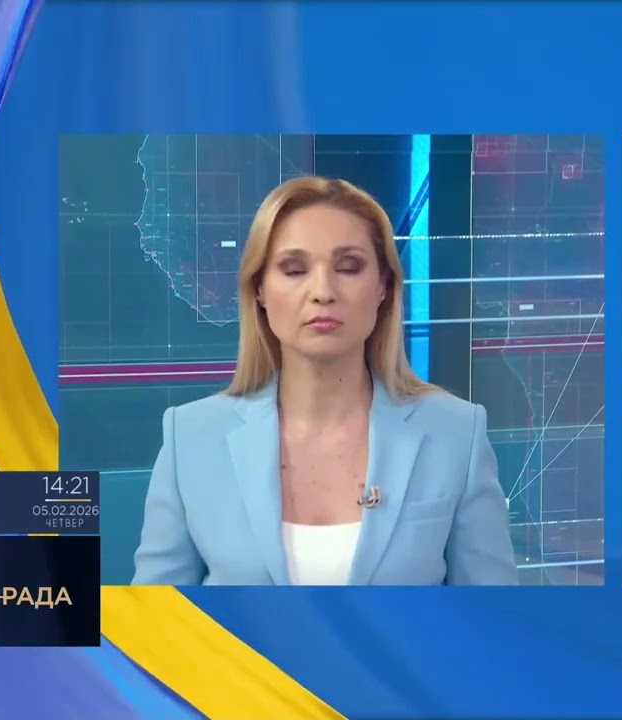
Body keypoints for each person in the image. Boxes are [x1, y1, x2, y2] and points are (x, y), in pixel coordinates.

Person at [132, 176, 518, 586]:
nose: (322, 291)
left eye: (348, 267)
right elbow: (154, 619)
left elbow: (494, 615)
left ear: (383, 286)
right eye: (294, 269)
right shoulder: (191, 438)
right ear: (259, 289)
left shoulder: (456, 433)